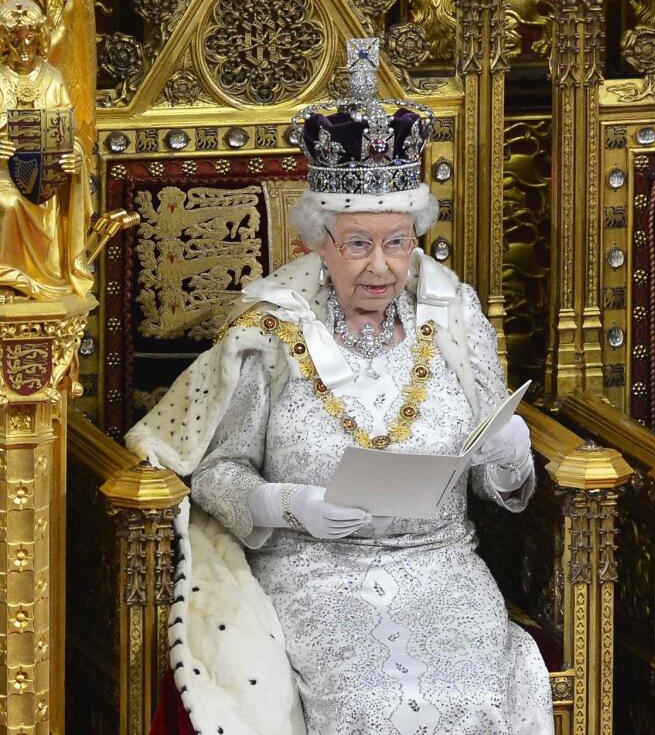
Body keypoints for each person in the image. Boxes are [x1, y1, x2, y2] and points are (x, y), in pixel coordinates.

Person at [127, 41, 553, 734]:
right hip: (314, 572)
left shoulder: (454, 317)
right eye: (358, 243)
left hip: (441, 566)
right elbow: (216, 472)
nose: (380, 266)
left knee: (469, 704)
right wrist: (286, 502)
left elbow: (497, 486)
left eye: (396, 241)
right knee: (368, 706)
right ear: (317, 244)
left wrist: (508, 455)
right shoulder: (270, 330)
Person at [0, 0, 93, 298]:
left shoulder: (52, 78)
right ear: (5, 42)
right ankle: (8, 281)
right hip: (2, 175)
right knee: (8, 205)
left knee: (37, 201)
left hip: (42, 180)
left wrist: (74, 158)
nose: (24, 48)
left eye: (30, 39)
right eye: (16, 42)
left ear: (40, 39)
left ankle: (44, 278)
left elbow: (70, 134)